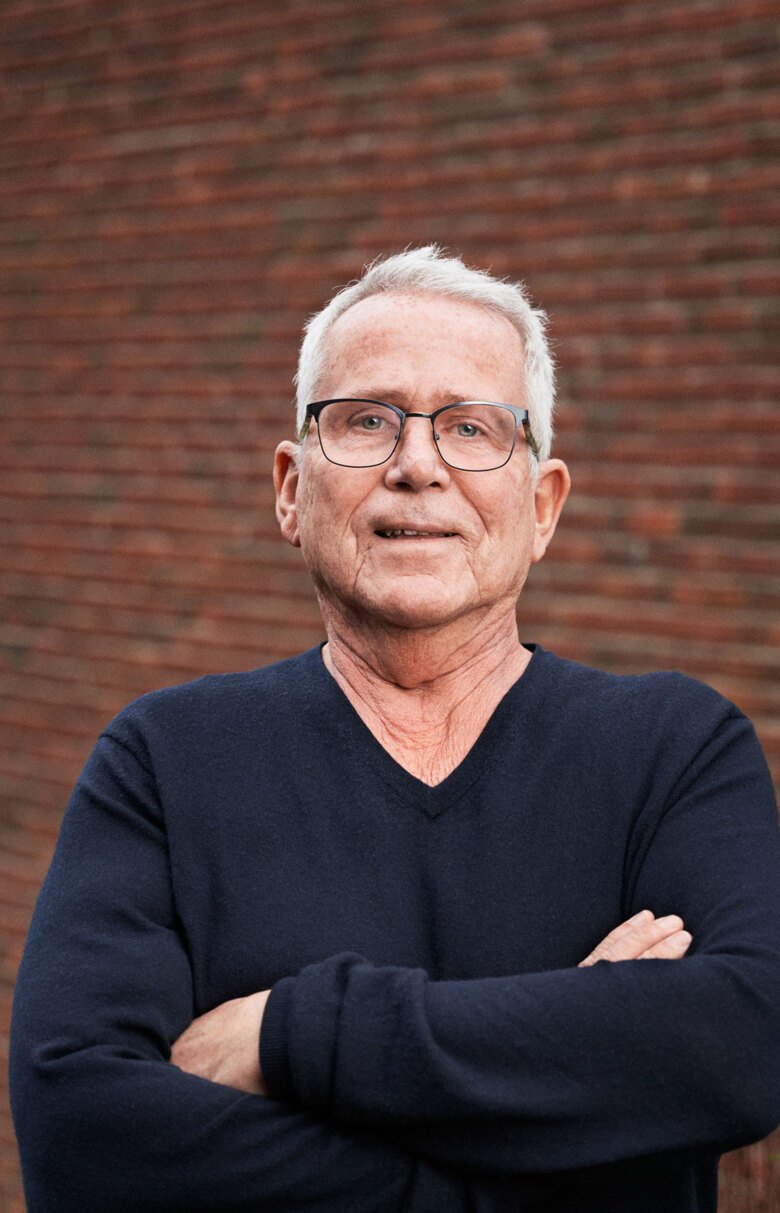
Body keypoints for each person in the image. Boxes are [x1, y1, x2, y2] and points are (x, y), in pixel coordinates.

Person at [10, 247, 780, 1213]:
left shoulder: (675, 751)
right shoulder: (165, 761)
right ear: (291, 489)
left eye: (472, 427)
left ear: (542, 507)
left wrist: (290, 1037)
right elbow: (83, 1141)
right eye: (367, 420)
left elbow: (741, 1047)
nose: (418, 465)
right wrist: (561, 1104)